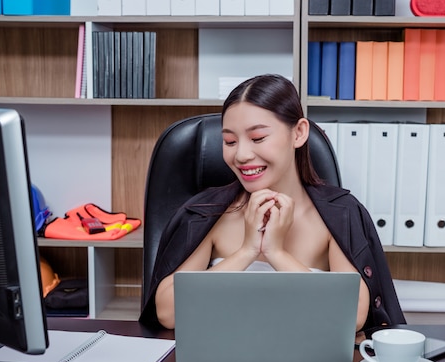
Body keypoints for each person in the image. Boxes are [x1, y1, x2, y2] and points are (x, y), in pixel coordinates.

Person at [139, 74, 405, 331]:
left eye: (258, 138)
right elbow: (167, 313)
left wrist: (277, 254)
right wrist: (247, 251)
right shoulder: (206, 213)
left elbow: (353, 317)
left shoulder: (341, 215)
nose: (241, 155)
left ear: (299, 133)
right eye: (229, 141)